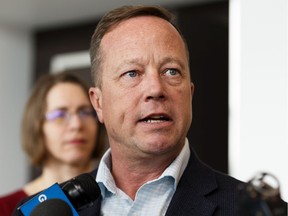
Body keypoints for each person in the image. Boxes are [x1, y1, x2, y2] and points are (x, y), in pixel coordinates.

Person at [83, 5, 243, 216]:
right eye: (132, 73)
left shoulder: (252, 209)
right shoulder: (44, 210)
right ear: (98, 103)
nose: (156, 89)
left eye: (171, 71)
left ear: (190, 94)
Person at [0, 72, 106, 216]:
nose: (76, 125)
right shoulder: (6, 208)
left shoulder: (114, 198)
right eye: (60, 115)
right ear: (37, 125)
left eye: (85, 112)